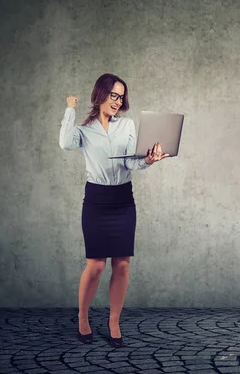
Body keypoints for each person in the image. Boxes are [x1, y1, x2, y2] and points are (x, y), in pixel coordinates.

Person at [59, 73, 169, 347]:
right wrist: (70, 109)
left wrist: (148, 160)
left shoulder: (127, 126)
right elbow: (64, 143)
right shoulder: (84, 132)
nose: (118, 101)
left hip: (123, 200)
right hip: (96, 200)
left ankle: (113, 321)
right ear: (100, 95)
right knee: (96, 266)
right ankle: (83, 317)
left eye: (121, 96)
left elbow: (131, 163)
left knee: (121, 264)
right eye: (113, 95)